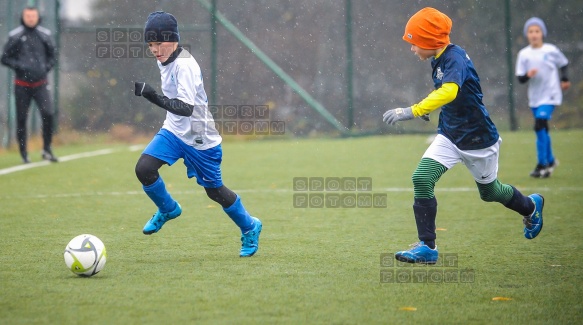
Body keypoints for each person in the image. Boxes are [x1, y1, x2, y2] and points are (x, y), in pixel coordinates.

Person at [382, 7, 544, 264]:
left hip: (478, 139)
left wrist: (413, 110)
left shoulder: (454, 57)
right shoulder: (439, 57)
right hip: (449, 134)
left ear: (430, 41)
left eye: (414, 43)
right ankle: (427, 247)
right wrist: (430, 108)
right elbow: (445, 94)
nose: (412, 49)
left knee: (490, 193)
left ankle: (530, 207)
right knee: (422, 178)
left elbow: (450, 91)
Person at [133, 11, 262, 257]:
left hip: (200, 138)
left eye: (159, 43)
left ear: (173, 39)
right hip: (173, 131)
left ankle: (250, 226)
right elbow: (177, 114)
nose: (155, 50)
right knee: (144, 169)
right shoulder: (164, 59)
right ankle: (168, 209)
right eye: (151, 44)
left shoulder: (185, 65)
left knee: (215, 192)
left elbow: (185, 108)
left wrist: (151, 95)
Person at [1, 6, 58, 163]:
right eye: (28, 16)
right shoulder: (15, 36)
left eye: (33, 15)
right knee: (21, 119)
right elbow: (5, 58)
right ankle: (23, 152)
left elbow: (53, 55)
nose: (31, 18)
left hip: (41, 84)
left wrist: (45, 68)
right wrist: (20, 66)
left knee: (48, 114)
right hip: (22, 84)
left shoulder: (45, 35)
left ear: (38, 17)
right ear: (23, 17)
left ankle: (46, 148)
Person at [516, 17, 570, 178]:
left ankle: (542, 164)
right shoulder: (524, 54)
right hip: (535, 97)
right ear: (527, 34)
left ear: (542, 33)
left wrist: (565, 79)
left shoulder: (551, 50)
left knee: (539, 124)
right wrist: (527, 75)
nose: (534, 34)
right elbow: (520, 78)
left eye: (537, 31)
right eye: (531, 31)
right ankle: (551, 160)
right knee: (543, 128)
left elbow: (564, 63)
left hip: (551, 94)